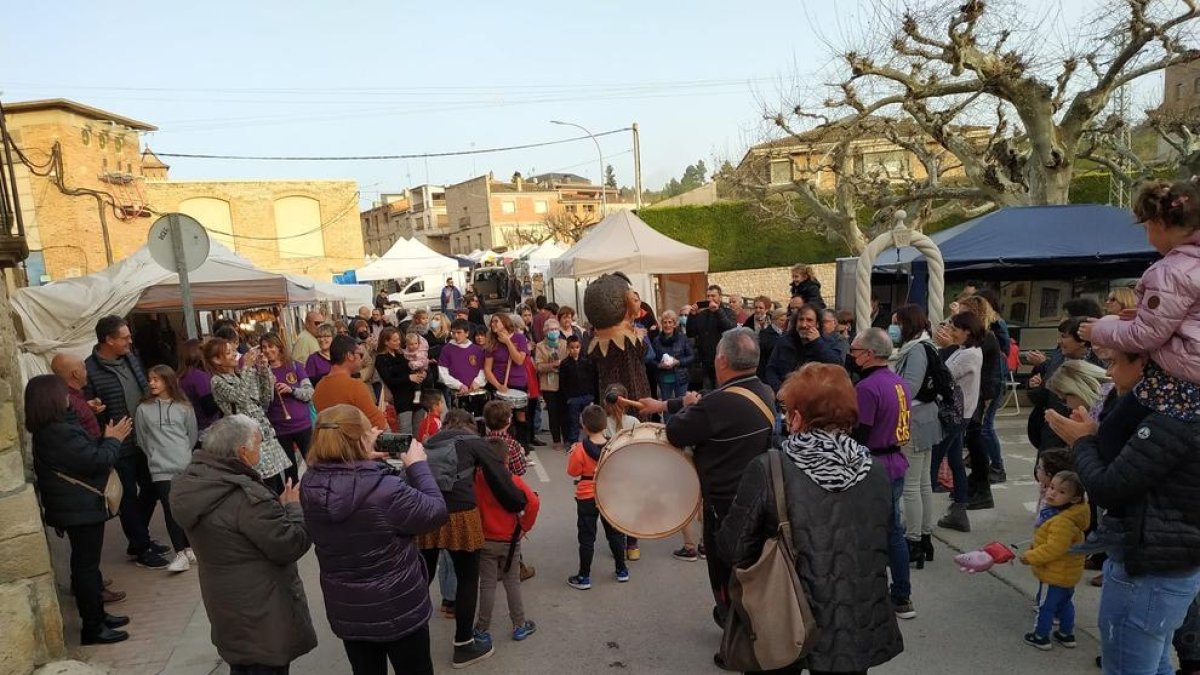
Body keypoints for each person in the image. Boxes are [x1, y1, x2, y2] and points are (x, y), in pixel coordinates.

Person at [718, 363, 903, 673]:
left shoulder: (770, 467)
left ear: (798, 417)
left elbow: (732, 547)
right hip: (854, 613)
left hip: (783, 611)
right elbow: (884, 538)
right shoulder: (875, 469)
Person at [1047, 354, 1200, 674]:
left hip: (1150, 566)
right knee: (1153, 661)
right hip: (1164, 560)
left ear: (1146, 364)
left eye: (1116, 362)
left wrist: (1083, 442)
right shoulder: (1175, 406)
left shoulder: (1172, 414)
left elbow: (1110, 486)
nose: (1110, 372)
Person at [639, 327, 776, 626]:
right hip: (761, 497)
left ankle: (734, 635)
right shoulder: (763, 391)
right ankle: (743, 619)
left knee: (724, 570)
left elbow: (676, 432)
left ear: (722, 360)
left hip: (725, 504)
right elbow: (707, 400)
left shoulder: (717, 405)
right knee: (750, 565)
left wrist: (682, 409)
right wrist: (666, 404)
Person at [299, 405, 447, 675]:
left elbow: (347, 482)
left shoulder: (310, 484)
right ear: (361, 438)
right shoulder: (385, 490)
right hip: (398, 605)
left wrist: (363, 457)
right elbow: (435, 512)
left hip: (349, 609)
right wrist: (417, 466)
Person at [170, 415, 316, 674]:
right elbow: (290, 544)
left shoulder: (194, 484)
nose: (261, 452)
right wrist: (293, 509)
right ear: (243, 452)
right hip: (262, 610)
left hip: (227, 603)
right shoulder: (247, 498)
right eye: (258, 445)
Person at [27, 374, 133, 644]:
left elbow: (83, 447)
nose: (68, 398)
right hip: (78, 508)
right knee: (85, 568)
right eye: (64, 395)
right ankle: (93, 627)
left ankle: (98, 615)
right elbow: (96, 460)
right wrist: (114, 439)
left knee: (88, 565)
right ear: (52, 399)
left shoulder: (57, 427)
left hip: (77, 506)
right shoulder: (57, 433)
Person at [1084, 179, 1200, 424]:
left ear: (1159, 223)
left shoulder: (1170, 271)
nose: (1147, 237)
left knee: (1112, 432)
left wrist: (1100, 329)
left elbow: (1145, 336)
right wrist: (1142, 313)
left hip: (1184, 379)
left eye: (1146, 228)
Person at [418, 408, 527, 669]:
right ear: (470, 425)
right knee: (467, 578)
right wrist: (518, 504)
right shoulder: (474, 442)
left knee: (422, 577)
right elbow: (499, 477)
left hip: (426, 512)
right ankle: (464, 644)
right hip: (461, 515)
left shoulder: (428, 442)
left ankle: (411, 638)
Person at [84, 315, 169, 569]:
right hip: (119, 445)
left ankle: (138, 538)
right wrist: (95, 411)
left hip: (144, 437)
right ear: (108, 340)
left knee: (152, 487)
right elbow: (87, 410)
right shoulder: (90, 370)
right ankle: (141, 547)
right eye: (124, 337)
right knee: (129, 496)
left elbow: (144, 387)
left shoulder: (131, 358)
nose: (130, 341)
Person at [848, 328, 917, 618]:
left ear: (869, 354)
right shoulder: (899, 383)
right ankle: (901, 594)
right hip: (895, 460)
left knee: (872, 533)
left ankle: (885, 595)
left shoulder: (867, 388)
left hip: (874, 465)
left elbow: (860, 432)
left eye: (854, 351)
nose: (851, 356)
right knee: (894, 531)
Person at [473, 435, 540, 645]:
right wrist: (523, 528)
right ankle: (519, 625)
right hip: (510, 540)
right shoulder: (513, 480)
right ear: (507, 459)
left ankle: (482, 629)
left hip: (485, 539)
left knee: (487, 585)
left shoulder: (476, 480)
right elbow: (533, 503)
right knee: (512, 582)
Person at [206, 337, 292, 493]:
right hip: (246, 439)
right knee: (264, 488)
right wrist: (246, 368)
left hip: (264, 437)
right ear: (217, 360)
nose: (234, 355)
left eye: (233, 350)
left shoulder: (242, 374)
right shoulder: (217, 381)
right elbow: (241, 398)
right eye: (229, 352)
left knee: (277, 488)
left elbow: (265, 400)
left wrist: (264, 369)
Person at [134, 365, 198, 573]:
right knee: (170, 509)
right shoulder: (143, 409)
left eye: (156, 379)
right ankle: (179, 552)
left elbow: (192, 434)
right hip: (160, 468)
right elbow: (142, 438)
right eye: (150, 379)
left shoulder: (184, 407)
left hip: (184, 465)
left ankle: (189, 547)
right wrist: (154, 455)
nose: (151, 383)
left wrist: (182, 454)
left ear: (168, 381)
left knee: (185, 507)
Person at [891, 305, 944, 547]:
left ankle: (913, 539)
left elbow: (909, 387)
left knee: (912, 485)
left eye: (896, 323)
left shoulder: (916, 350)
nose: (893, 329)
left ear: (907, 324)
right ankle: (924, 535)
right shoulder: (926, 345)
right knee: (922, 482)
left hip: (915, 420)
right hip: (926, 418)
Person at [1020, 471, 1090, 651]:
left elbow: (1054, 549)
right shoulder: (1071, 516)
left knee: (1046, 606)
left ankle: (1040, 636)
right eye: (1052, 487)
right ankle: (1066, 634)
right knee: (1065, 603)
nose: (1052, 493)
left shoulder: (1061, 521)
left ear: (1074, 499)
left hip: (1054, 573)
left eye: (1061, 492)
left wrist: (1030, 557)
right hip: (1067, 573)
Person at [930, 312, 985, 533]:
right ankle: (959, 510)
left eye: (955, 329)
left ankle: (922, 519)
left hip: (956, 413)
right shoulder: (965, 350)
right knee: (955, 460)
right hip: (960, 412)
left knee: (932, 462)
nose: (952, 332)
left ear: (967, 331)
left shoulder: (968, 354)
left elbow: (944, 375)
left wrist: (939, 348)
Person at [566, 404, 630, 590]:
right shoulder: (613, 445)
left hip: (587, 495)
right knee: (615, 534)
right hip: (609, 493)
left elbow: (573, 472)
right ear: (604, 425)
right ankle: (621, 570)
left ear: (583, 426)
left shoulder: (579, 449)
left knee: (586, 537)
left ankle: (584, 576)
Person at [957, 295, 1008, 485]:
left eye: (963, 313)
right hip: (982, 388)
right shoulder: (978, 335)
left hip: (988, 389)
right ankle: (981, 463)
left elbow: (989, 370)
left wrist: (986, 396)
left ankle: (997, 467)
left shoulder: (987, 336)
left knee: (984, 428)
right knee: (976, 430)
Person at [261, 333, 315, 486]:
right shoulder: (261, 373)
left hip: (301, 425)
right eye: (263, 347)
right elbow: (263, 402)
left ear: (279, 347)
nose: (267, 350)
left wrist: (291, 390)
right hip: (279, 428)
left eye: (270, 346)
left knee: (313, 463)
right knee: (290, 471)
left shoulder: (295, 366)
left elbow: (309, 393)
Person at [315, 335, 389, 430]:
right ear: (350, 356)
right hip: (353, 442)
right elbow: (378, 423)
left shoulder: (319, 387)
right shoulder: (354, 386)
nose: (361, 359)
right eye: (360, 355)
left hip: (329, 443)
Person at [764, 303, 841, 391]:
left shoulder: (829, 343)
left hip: (817, 399)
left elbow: (836, 366)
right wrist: (779, 389)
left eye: (809, 320)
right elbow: (771, 369)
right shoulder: (784, 342)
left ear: (817, 324)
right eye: (801, 320)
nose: (804, 325)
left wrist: (817, 342)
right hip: (786, 397)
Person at [483, 313, 531, 443]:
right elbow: (487, 369)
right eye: (492, 322)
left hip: (518, 382)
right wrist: (498, 386)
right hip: (500, 384)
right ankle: (505, 445)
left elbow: (519, 360)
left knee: (520, 416)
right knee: (503, 417)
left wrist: (508, 342)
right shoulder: (492, 342)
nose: (493, 324)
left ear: (505, 322)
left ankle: (522, 447)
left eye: (496, 321)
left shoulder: (519, 338)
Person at [687, 285, 737, 389]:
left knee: (722, 390)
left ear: (720, 297)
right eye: (708, 296)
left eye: (713, 296)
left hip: (723, 360)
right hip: (706, 361)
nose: (710, 299)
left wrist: (718, 311)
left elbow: (730, 329)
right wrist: (692, 315)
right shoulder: (702, 314)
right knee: (707, 391)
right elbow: (691, 333)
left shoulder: (728, 312)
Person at [535, 318, 569, 447]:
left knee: (565, 412)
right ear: (545, 331)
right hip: (548, 384)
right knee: (553, 413)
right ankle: (556, 440)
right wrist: (552, 365)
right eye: (550, 329)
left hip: (564, 383)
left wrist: (562, 364)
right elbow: (538, 366)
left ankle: (567, 438)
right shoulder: (540, 346)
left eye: (555, 329)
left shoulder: (564, 344)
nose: (553, 332)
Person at [176, 339, 220, 438]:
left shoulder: (179, 378)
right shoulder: (199, 377)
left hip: (189, 428)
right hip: (207, 428)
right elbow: (209, 408)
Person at [650, 310, 694, 409]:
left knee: (682, 406)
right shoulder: (657, 341)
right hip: (664, 379)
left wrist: (678, 362)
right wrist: (658, 365)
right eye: (665, 322)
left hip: (681, 377)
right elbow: (651, 360)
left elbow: (691, 357)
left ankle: (682, 425)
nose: (667, 325)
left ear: (674, 324)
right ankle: (668, 425)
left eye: (670, 322)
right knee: (666, 407)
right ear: (661, 324)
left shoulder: (682, 338)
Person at [559, 335, 597, 446]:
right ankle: (573, 443)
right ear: (568, 348)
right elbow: (563, 382)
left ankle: (591, 442)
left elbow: (592, 377)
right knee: (574, 422)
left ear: (580, 347)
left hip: (586, 396)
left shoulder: (586, 361)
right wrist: (568, 398)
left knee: (588, 420)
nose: (575, 350)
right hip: (573, 398)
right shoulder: (565, 363)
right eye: (572, 347)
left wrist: (591, 394)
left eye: (577, 347)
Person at [482, 400, 528, 477]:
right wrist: (522, 455)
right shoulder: (512, 444)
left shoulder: (481, 442)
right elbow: (519, 471)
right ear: (509, 420)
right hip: (506, 484)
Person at [757, 308, 788, 381]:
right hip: (765, 373)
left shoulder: (785, 333)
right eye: (781, 320)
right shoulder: (765, 333)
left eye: (785, 321)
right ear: (774, 320)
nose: (784, 323)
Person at [305, 323, 337, 388]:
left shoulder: (340, 356)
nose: (322, 340)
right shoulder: (313, 359)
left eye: (326, 336)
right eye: (319, 337)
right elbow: (310, 384)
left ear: (333, 338)